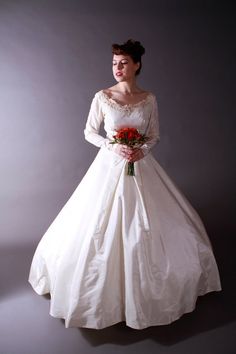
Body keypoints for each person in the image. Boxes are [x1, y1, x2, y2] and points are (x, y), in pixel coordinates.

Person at [28, 39, 222, 330]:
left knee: (152, 224)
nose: (117, 68)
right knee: (95, 223)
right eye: (114, 63)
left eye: (123, 63)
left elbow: (154, 135)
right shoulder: (103, 96)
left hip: (141, 164)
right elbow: (89, 132)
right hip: (109, 165)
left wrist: (141, 149)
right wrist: (113, 146)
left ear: (137, 65)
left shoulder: (149, 98)